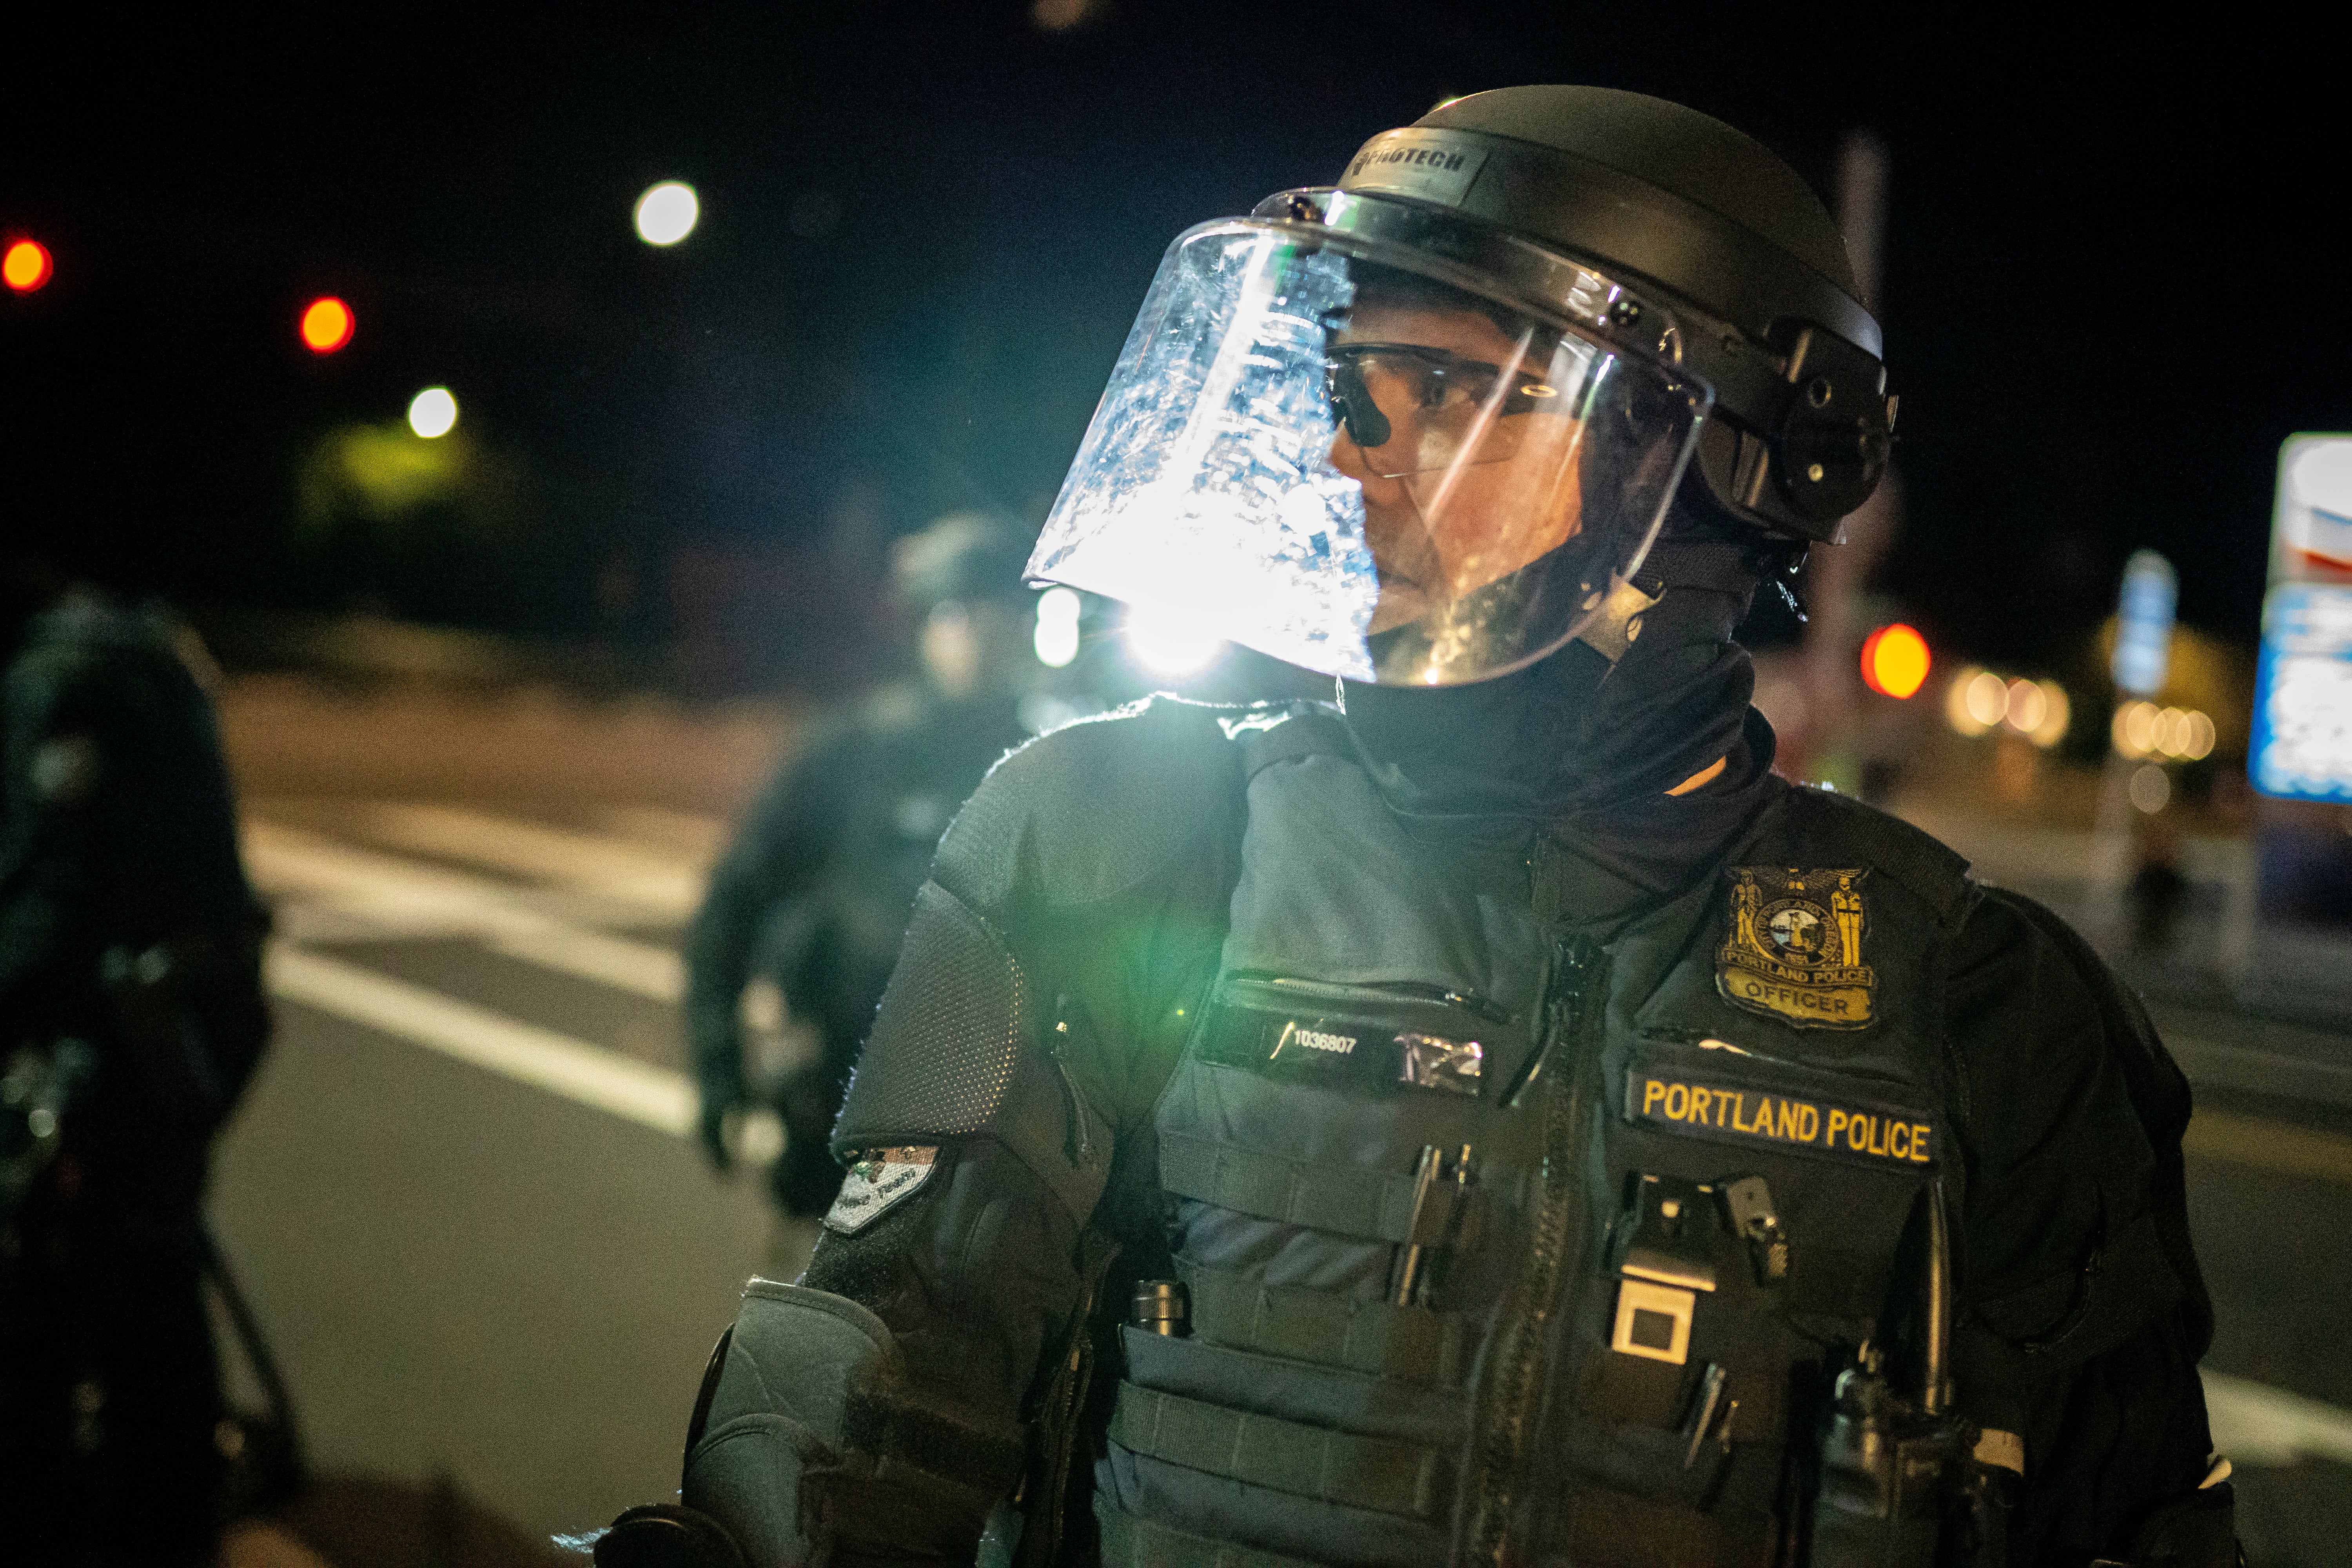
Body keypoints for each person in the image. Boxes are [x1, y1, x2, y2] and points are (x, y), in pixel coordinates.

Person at [600, 88, 2232, 1568]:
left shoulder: (1989, 1015)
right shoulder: (1116, 830)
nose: (1346, 452)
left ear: (1721, 461)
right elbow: (860, 1423)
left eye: (1448, 389)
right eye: (1351, 386)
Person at [0, 563, 273, 1565]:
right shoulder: (129, 649)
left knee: (78, 1295)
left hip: (129, 1048)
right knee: (149, 1272)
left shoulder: (65, 679)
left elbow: (57, 902)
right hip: (183, 1033)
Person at [686, 514, 1049, 1216]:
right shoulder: (854, 755)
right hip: (841, 1115)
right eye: (955, 611)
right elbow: (732, 905)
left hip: (990, 1136)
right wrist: (718, 1072)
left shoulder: (1050, 772)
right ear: (921, 624)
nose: (978, 632)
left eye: (1000, 611)